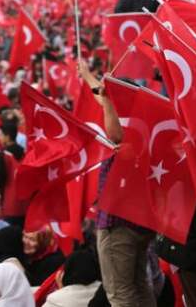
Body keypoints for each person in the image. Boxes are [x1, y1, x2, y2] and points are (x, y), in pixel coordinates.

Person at [79, 61, 158, 307]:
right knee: (140, 285)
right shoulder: (145, 121)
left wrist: (108, 97)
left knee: (120, 294)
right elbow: (101, 99)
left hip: (118, 223)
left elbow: (115, 135)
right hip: (140, 222)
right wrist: (86, 75)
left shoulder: (128, 130)